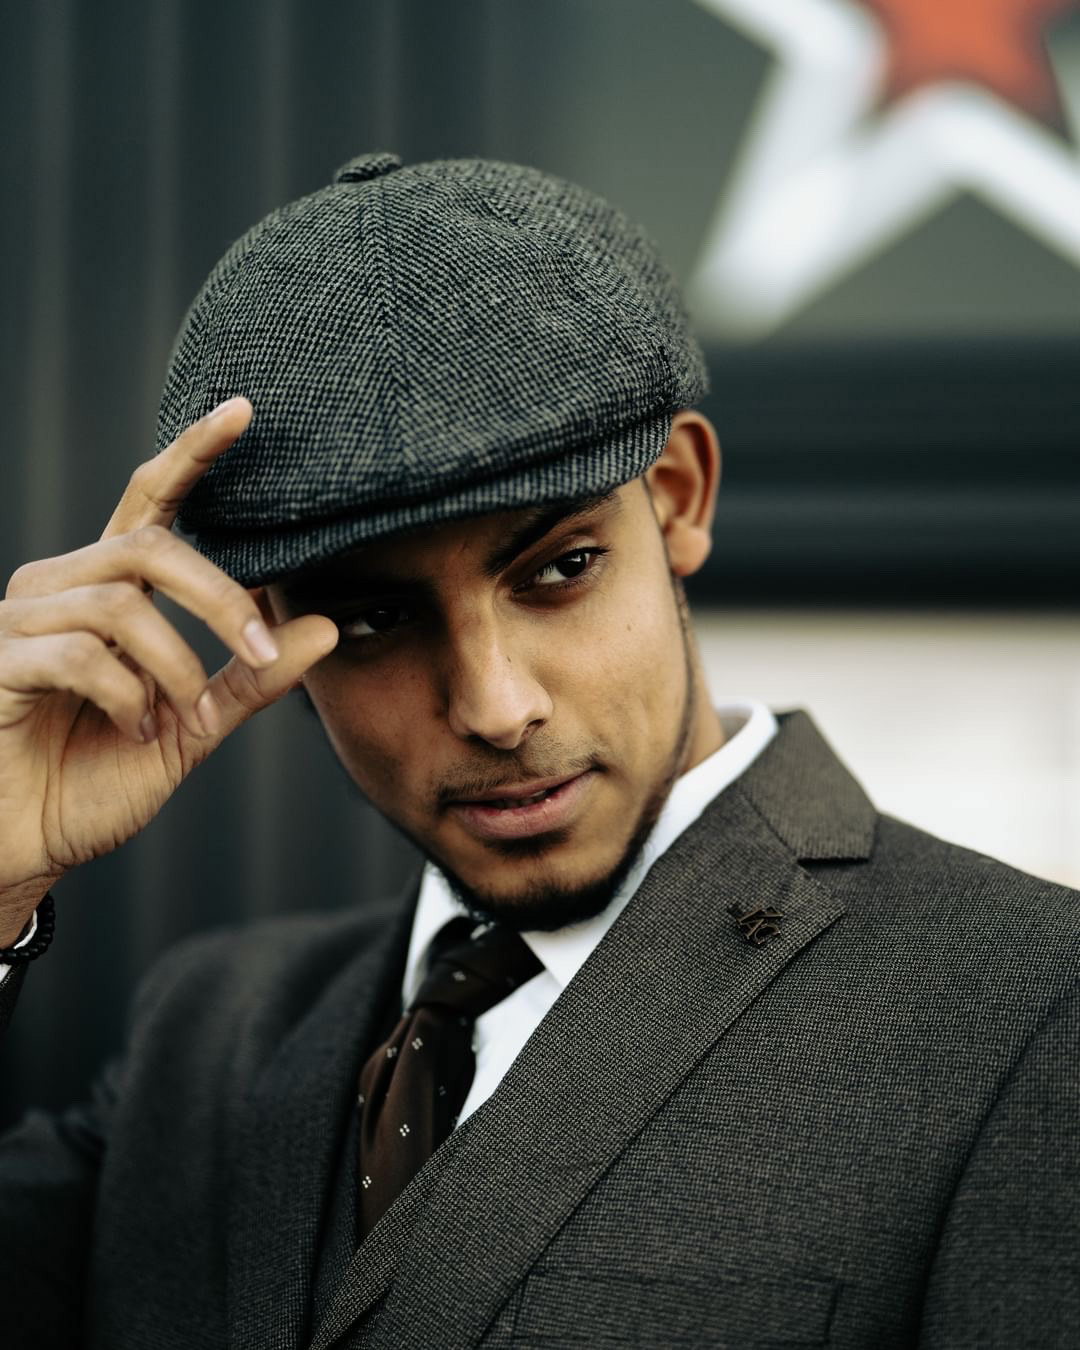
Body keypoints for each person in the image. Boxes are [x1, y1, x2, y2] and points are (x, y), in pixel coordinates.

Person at [0, 151, 1076, 1350]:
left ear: (677, 497)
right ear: (258, 622)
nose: (497, 707)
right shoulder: (207, 1033)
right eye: (374, 618)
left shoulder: (1030, 1008)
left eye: (559, 569)